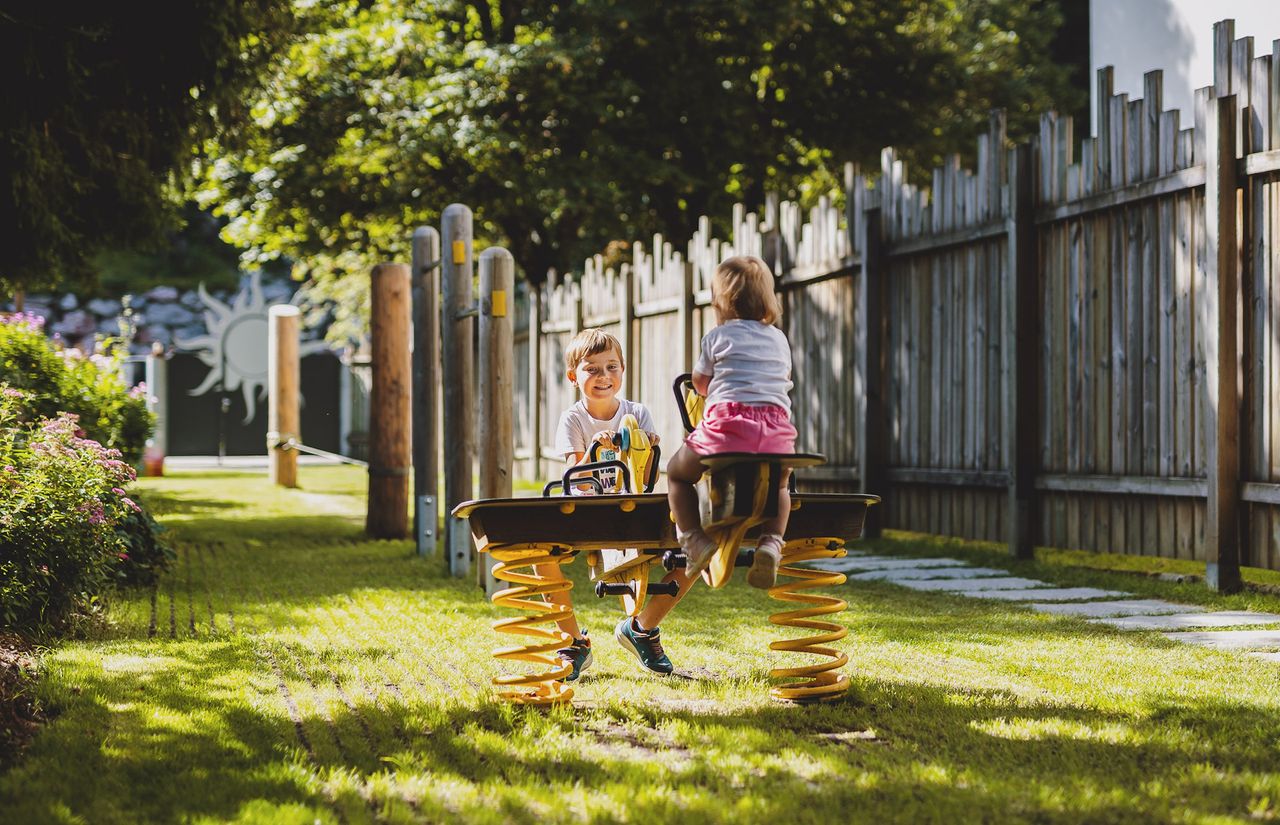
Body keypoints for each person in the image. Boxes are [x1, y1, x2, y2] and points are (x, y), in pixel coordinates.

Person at [545, 328, 693, 680]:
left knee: (698, 550)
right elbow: (574, 477)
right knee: (541, 557)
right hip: (588, 512)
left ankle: (642, 627)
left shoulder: (637, 413)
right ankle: (573, 641)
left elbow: (648, 477)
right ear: (573, 376)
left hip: (631, 511)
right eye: (592, 369)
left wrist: (649, 447)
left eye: (612, 367)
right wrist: (597, 450)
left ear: (623, 371)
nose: (603, 377)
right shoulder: (573, 419)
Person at [666, 255, 797, 590]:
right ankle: (771, 543)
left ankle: (694, 539)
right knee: (781, 485)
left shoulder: (717, 337)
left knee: (678, 474)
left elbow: (699, 382)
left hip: (727, 430)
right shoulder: (779, 339)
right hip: (776, 434)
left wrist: (710, 386)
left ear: (719, 302)